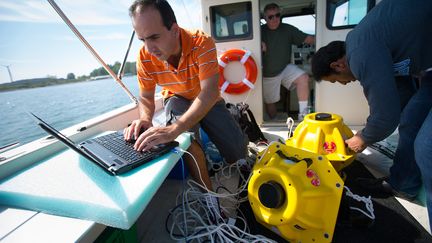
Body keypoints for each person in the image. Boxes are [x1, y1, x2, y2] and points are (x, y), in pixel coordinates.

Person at [311, 0, 432, 231]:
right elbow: (398, 98)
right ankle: (403, 184)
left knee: (426, 146)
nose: (344, 84)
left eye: (336, 81)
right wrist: (373, 128)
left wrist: (363, 138)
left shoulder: (360, 52)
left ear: (338, 65)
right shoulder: (365, 45)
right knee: (410, 121)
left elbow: (386, 116)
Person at [124, 0, 246, 197]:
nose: (148, 48)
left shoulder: (202, 43)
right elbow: (146, 97)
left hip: (208, 100)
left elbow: (208, 92)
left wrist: (173, 128)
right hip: (176, 98)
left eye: (154, 37)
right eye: (142, 40)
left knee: (238, 153)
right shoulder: (144, 57)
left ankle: (233, 121)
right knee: (189, 140)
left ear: (174, 29)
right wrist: (145, 119)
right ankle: (211, 200)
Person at [261, 3, 315, 120]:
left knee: (304, 78)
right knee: (270, 102)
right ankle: (274, 121)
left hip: (284, 68)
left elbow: (309, 39)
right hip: (267, 74)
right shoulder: (259, 32)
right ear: (265, 18)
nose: (275, 19)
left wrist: (327, 40)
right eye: (270, 17)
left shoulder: (287, 29)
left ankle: (303, 116)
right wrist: (258, 46)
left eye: (277, 15)